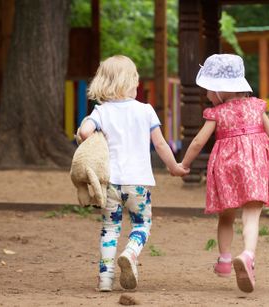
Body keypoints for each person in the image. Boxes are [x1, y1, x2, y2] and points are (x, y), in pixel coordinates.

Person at [78, 55, 188, 292]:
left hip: (110, 183)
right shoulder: (146, 111)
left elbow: (85, 132)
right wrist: (174, 167)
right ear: (130, 82)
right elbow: (160, 145)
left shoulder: (101, 111)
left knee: (109, 228)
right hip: (138, 183)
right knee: (141, 224)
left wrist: (96, 131)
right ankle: (130, 252)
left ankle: (105, 279)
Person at [180, 54, 269, 293]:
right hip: (254, 167)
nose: (206, 95)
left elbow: (197, 142)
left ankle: (225, 261)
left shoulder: (216, 113)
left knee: (226, 215)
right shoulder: (257, 106)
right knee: (252, 214)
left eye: (207, 89)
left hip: (226, 168)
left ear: (219, 91)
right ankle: (247, 255)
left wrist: (183, 164)